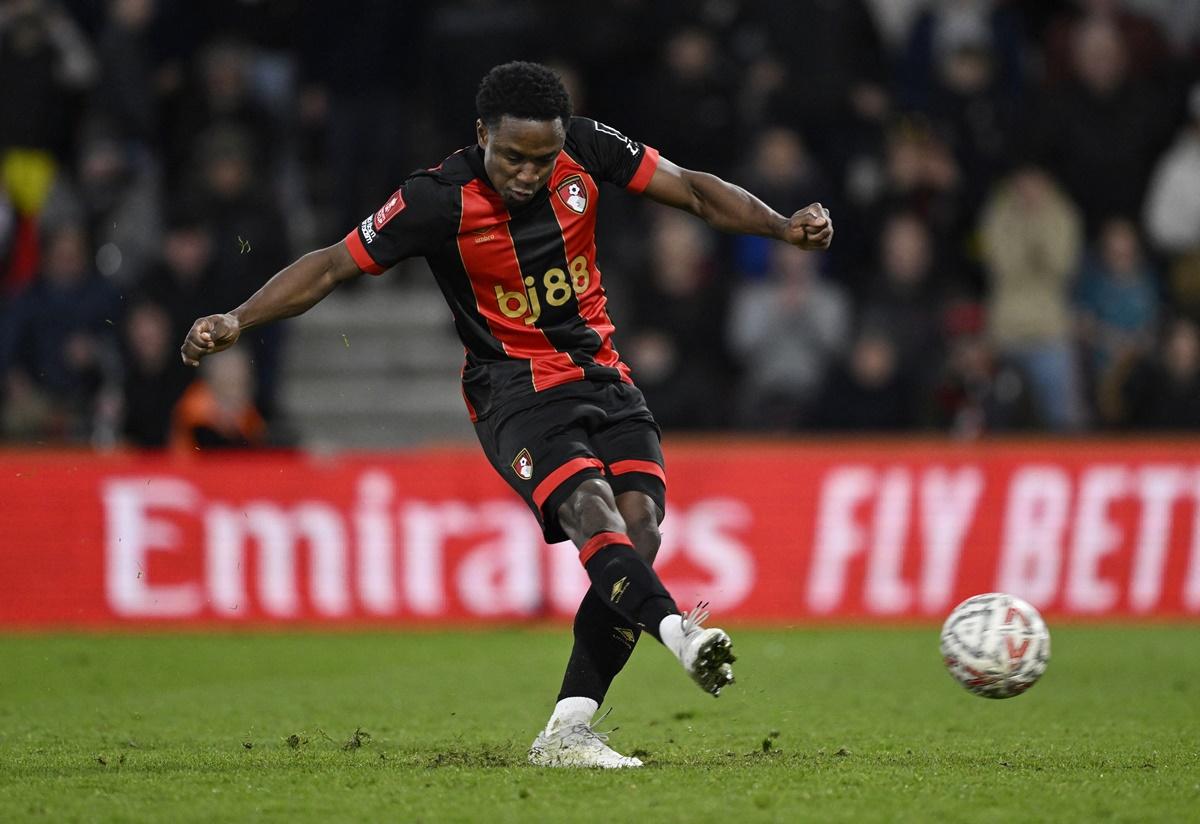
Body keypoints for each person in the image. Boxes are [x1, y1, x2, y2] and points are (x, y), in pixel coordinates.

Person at [179, 61, 832, 769]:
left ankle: (567, 731)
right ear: (482, 133)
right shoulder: (436, 200)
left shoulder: (586, 149)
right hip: (515, 394)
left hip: (604, 377)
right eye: (514, 157)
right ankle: (680, 632)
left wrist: (778, 225)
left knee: (639, 532)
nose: (529, 173)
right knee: (593, 513)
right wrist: (238, 319)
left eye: (542, 159)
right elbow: (335, 264)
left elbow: (694, 192)